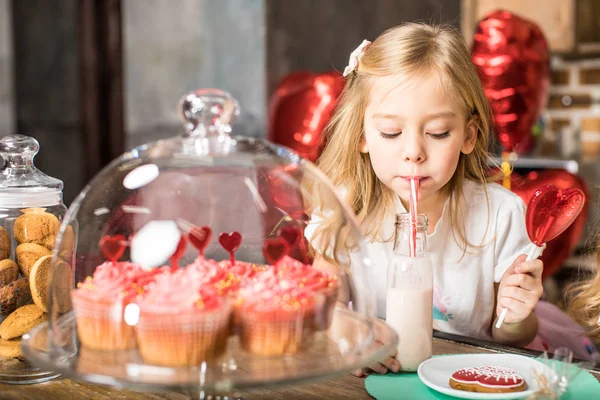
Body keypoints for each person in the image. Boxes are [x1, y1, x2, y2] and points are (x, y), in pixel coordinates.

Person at [304, 23, 544, 376]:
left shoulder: (500, 214)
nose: (414, 152)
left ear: (469, 135)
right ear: (361, 135)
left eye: (437, 133)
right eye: (391, 133)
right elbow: (327, 305)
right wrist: (348, 335)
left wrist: (517, 313)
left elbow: (510, 337)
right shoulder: (342, 208)